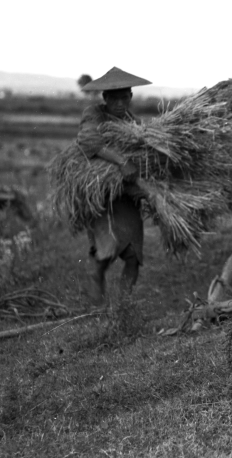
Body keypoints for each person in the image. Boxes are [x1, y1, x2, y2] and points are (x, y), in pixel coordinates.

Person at [76, 66, 152, 304]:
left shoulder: (134, 122)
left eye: (124, 98)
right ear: (105, 98)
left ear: (130, 97)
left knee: (132, 255)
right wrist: (121, 161)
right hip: (101, 196)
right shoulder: (94, 115)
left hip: (127, 198)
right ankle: (96, 306)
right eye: (114, 99)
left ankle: (122, 309)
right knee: (104, 253)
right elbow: (88, 141)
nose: (120, 104)